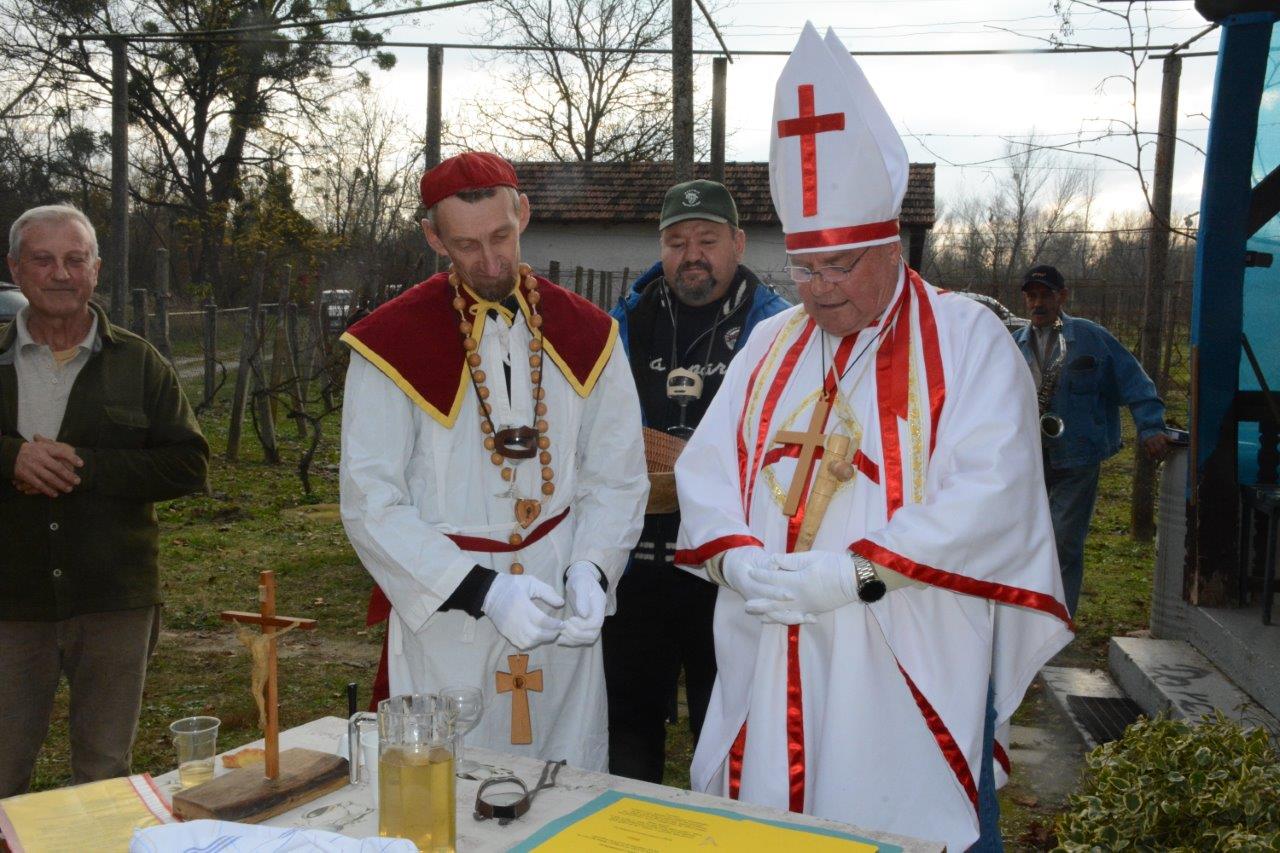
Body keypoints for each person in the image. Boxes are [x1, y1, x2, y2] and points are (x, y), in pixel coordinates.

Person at [672, 25, 1073, 851]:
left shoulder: (967, 339)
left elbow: (992, 491)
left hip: (907, 644)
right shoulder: (772, 342)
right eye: (803, 269)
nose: (818, 292)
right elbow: (708, 465)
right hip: (773, 640)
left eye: (841, 267)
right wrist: (737, 559)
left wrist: (852, 574)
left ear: (891, 246)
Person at [339, 152, 648, 771]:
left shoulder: (589, 334)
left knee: (567, 772)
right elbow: (371, 504)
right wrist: (483, 590)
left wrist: (593, 569)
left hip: (557, 601)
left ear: (523, 214)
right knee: (448, 778)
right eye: (467, 245)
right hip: (447, 614)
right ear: (434, 238)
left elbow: (615, 477)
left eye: (501, 236)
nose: (490, 261)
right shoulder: (389, 344)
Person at [0, 204, 209, 796]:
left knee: (103, 777)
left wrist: (85, 468)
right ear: (16, 269)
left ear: (95, 269)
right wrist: (11, 458)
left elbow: (188, 464)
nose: (60, 274)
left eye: (75, 259)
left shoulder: (138, 362)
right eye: (43, 259)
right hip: (10, 602)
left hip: (114, 601)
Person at [603, 180, 789, 782]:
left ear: (738, 243)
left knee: (729, 717)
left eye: (707, 240)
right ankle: (628, 823)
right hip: (638, 561)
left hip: (726, 567)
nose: (692, 255)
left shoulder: (776, 329)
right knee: (628, 722)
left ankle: (726, 821)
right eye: (677, 242)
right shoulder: (625, 323)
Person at [1014, 264, 1171, 615]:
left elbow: (1134, 380)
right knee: (1026, 543)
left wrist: (1150, 426)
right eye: (1032, 296)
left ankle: (1059, 620)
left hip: (1077, 456)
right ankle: (1029, 620)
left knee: (1063, 542)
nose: (1038, 303)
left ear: (1062, 296)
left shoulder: (1090, 337)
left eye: (1045, 295)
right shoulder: (1014, 344)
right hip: (1029, 459)